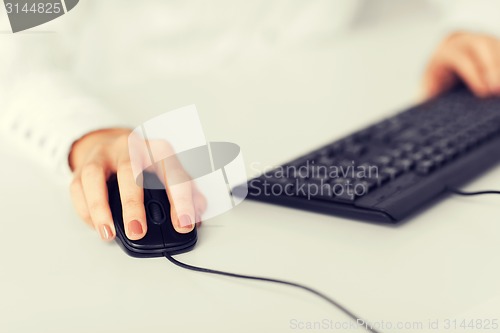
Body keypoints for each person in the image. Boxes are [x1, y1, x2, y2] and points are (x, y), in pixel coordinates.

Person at [1, 0, 500, 242]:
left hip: (354, 115)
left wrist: (478, 22)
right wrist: (88, 134)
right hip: (168, 157)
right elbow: (15, 48)